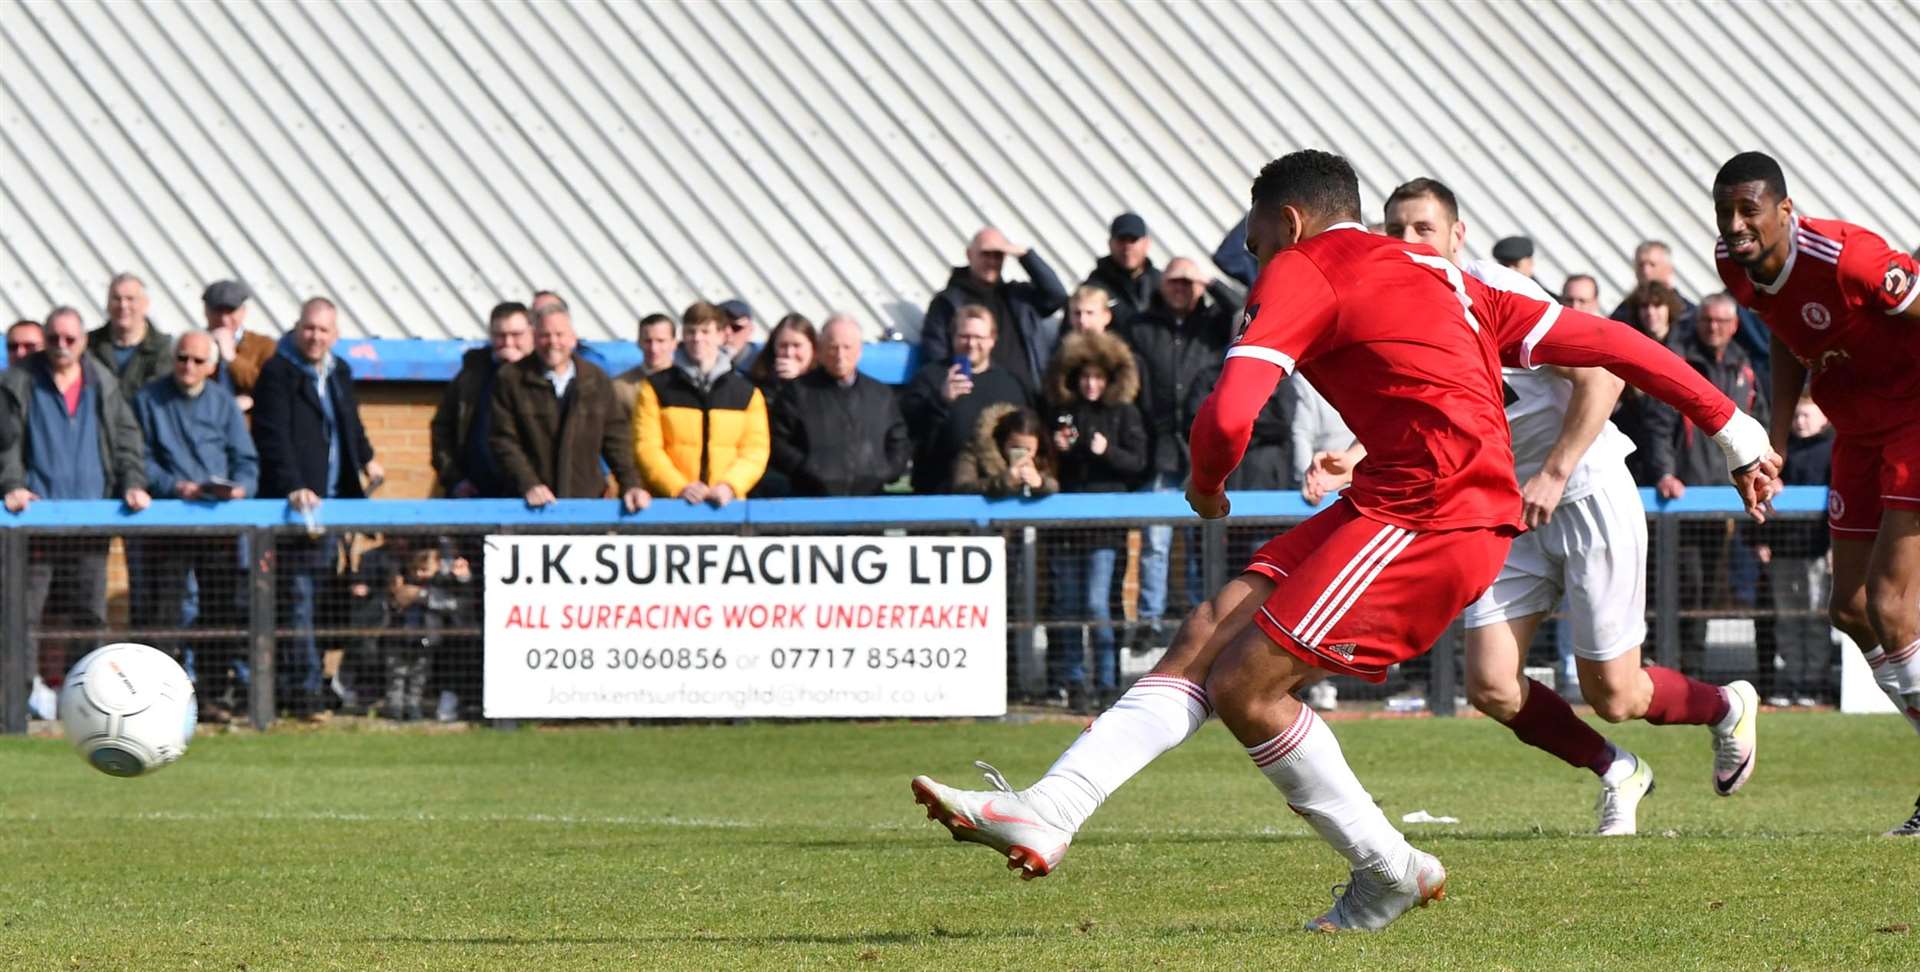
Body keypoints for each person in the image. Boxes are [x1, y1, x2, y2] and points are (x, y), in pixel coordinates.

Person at [910, 149, 1777, 932]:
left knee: (1249, 688)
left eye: (1253, 240)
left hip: (1434, 515)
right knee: (1211, 626)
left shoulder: (1304, 269)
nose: (1252, 258)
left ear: (1286, 223)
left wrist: (1207, 484)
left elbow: (1228, 413)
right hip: (1404, 499)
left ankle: (1386, 870)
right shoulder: (1450, 277)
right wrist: (1735, 430)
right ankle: (1051, 808)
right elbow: (1616, 343)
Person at [1370, 176, 1757, 836]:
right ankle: (1618, 771)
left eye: (1423, 228)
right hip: (1510, 510)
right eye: (1396, 230)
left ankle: (1725, 704)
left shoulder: (1501, 291)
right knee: (1490, 684)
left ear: (1457, 236)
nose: (1408, 242)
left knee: (1615, 693)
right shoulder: (1402, 308)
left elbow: (1602, 374)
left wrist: (1553, 473)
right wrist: (1350, 456)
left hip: (1583, 490)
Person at [1710, 150, 1920, 835]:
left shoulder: (1849, 259)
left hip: (1914, 423)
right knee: (1851, 609)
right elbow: (1781, 342)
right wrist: (1770, 442)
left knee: (1892, 605)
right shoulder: (1732, 266)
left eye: (1750, 209)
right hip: (1857, 438)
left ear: (1785, 211)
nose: (1737, 225)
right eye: (1726, 211)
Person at [0, 306, 150, 687]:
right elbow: (6, 444)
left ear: (84, 341)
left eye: (70, 339)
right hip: (33, 521)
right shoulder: (18, 383)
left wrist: (133, 482)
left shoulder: (102, 382)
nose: (62, 346)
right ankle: (15, 704)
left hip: (90, 521)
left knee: (90, 615)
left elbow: (127, 441)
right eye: (54, 338)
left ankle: (89, 697)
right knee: (23, 614)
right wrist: (11, 485)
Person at [252, 297, 384, 717]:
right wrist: (292, 486)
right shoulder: (277, 372)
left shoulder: (339, 371)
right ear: (297, 328)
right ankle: (301, 688)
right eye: (309, 328)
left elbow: (350, 423)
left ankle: (316, 681)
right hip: (295, 510)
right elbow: (272, 436)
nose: (315, 337)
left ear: (335, 335)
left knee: (325, 597)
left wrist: (366, 457)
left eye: (324, 331)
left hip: (334, 507)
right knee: (298, 599)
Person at [132, 329, 259, 721]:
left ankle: (213, 697)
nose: (188, 367)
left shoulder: (223, 404)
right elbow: (139, 458)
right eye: (182, 358)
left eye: (198, 361)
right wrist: (174, 487)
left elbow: (247, 462)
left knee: (219, 610)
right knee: (164, 612)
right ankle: (155, 698)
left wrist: (240, 490)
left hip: (217, 526)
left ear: (212, 366)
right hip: (169, 523)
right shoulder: (148, 399)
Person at [1126, 258, 1237, 643]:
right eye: (1174, 281)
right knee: (1155, 542)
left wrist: (1210, 281)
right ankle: (1150, 618)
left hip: (1201, 444)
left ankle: (1200, 615)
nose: (1181, 288)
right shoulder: (1143, 327)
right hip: (1160, 448)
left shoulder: (1213, 324)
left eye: (1189, 282)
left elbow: (1242, 309)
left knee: (1201, 539)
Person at [1044, 331, 1148, 710]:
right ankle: (1075, 683)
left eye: (1097, 377)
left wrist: (1108, 451)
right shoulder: (1061, 412)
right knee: (1068, 605)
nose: (1090, 384)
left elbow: (1137, 463)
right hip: (1064, 524)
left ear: (1109, 378)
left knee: (1097, 604)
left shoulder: (1125, 413)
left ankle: (1106, 682)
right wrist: (1057, 451)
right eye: (1085, 377)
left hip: (1105, 525)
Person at [490, 304, 650, 511]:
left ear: (573, 338)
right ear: (534, 338)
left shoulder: (596, 380)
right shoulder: (510, 380)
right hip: (529, 508)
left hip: (587, 504)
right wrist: (529, 484)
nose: (553, 342)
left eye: (559, 334)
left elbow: (616, 440)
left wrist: (631, 485)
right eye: (545, 335)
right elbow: (503, 441)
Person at [633, 301, 768, 506]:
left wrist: (730, 486)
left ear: (721, 336)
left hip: (727, 507)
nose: (697, 338)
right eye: (690, 331)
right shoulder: (655, 388)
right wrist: (678, 486)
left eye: (705, 331)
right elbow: (647, 447)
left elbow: (755, 451)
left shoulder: (747, 393)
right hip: (669, 506)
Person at [768, 314, 911, 497]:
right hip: (812, 502)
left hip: (870, 502)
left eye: (847, 347)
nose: (840, 355)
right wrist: (808, 470)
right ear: (820, 350)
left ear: (859, 351)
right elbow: (777, 441)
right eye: (833, 347)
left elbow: (899, 441)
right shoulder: (796, 393)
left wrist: (885, 472)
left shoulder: (881, 395)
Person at [900, 304, 1034, 494]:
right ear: (953, 338)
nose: (971, 344)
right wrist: (940, 400)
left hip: (998, 492)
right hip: (939, 492)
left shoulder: (1010, 384)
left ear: (992, 340)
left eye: (979, 337)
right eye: (964, 336)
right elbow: (909, 431)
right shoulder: (930, 377)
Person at [918, 227, 1067, 393]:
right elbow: (936, 357)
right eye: (985, 254)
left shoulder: (1019, 297)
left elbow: (1057, 296)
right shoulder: (947, 302)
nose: (992, 261)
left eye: (998, 255)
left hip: (1025, 398)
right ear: (969, 255)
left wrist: (1026, 255)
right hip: (975, 397)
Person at [1757, 395, 1834, 706]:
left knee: (1816, 616)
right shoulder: (1778, 453)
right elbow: (1759, 492)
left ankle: (1814, 682)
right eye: (1797, 415)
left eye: (1807, 415)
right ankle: (1791, 679)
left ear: (1823, 418)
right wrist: (1761, 539)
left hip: (1817, 549)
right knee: (1787, 617)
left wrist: (1834, 548)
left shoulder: (1833, 451)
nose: (1800, 421)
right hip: (1784, 550)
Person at [431, 302, 533, 499]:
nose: (508, 343)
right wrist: (455, 480)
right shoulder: (470, 377)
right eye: (500, 336)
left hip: (532, 497)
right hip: (477, 496)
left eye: (516, 335)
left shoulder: (547, 379)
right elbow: (442, 430)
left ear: (532, 333)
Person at [384, 546, 475, 722]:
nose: (420, 574)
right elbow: (392, 607)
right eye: (416, 570)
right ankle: (395, 708)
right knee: (397, 674)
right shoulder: (402, 584)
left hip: (426, 639)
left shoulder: (442, 584)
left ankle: (413, 707)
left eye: (424, 570)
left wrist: (420, 596)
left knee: (419, 676)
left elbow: (456, 603)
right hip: (401, 637)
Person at [87, 273, 172, 396]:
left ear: (145, 304)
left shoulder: (164, 350)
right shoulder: (88, 345)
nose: (123, 305)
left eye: (130, 299)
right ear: (107, 305)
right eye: (116, 298)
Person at [201, 279, 276, 411]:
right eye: (218, 311)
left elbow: (271, 387)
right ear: (206, 311)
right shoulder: (194, 345)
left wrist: (232, 358)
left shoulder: (264, 345)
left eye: (230, 311)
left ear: (243, 311)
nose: (224, 320)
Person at [1082, 212, 1161, 328]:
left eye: (1133, 240)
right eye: (1121, 240)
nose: (1127, 247)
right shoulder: (1095, 286)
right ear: (1110, 243)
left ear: (1146, 244)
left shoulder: (1162, 284)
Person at [612, 313, 679, 417]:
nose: (654, 348)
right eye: (648, 341)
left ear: (674, 343)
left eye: (661, 341)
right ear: (638, 343)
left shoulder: (689, 384)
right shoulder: (619, 388)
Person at [747, 313, 817, 397]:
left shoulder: (825, 383)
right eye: (783, 346)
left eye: (797, 345)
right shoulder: (759, 381)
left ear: (812, 346)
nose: (789, 353)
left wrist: (796, 383)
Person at [718, 298, 761, 374]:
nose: (727, 332)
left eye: (736, 327)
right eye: (721, 326)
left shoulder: (764, 364)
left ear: (750, 330)